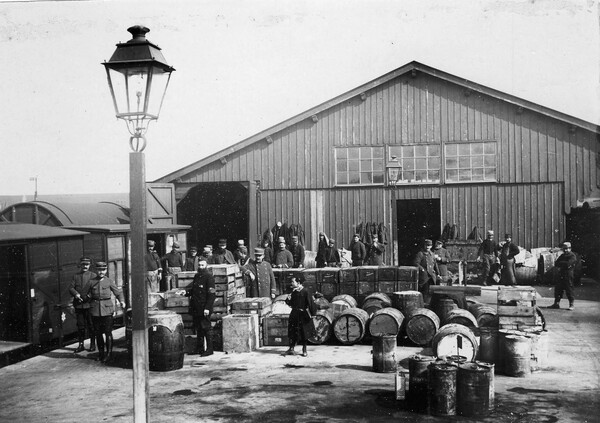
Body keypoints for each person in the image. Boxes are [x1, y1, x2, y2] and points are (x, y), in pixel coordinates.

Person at [87, 262, 126, 363]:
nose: (101, 272)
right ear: (96, 270)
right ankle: (101, 354)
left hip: (107, 310)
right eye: (99, 270)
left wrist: (122, 301)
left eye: (103, 270)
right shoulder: (91, 282)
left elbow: (118, 292)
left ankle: (108, 354)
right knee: (98, 334)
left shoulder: (109, 281)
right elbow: (87, 294)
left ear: (106, 270)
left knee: (108, 332)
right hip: (95, 310)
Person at [184, 258, 216, 356]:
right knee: (199, 328)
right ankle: (200, 348)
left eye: (203, 265)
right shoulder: (197, 276)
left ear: (206, 266)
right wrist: (185, 293)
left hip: (204, 307)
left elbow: (212, 294)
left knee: (206, 328)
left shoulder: (209, 277)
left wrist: (207, 308)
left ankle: (210, 349)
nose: (200, 267)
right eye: (199, 265)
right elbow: (194, 291)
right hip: (196, 307)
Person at [283, 276, 317, 357]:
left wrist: (313, 314)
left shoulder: (305, 291)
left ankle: (304, 349)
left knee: (304, 332)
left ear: (298, 283)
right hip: (294, 313)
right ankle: (291, 348)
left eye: (293, 282)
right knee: (292, 331)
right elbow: (290, 303)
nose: (291, 283)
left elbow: (311, 303)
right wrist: (288, 299)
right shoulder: (293, 292)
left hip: (303, 314)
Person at [69, 257, 97, 353]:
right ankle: (81, 345)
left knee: (91, 325)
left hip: (89, 305)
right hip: (79, 305)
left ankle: (93, 344)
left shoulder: (93, 276)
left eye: (87, 264)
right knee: (80, 326)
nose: (85, 266)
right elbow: (71, 288)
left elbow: (95, 288)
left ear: (89, 265)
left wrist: (88, 296)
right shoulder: (75, 276)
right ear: (80, 265)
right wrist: (76, 295)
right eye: (83, 264)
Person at [549, 242, 577, 310]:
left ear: (570, 248)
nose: (565, 250)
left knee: (569, 289)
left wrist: (561, 263)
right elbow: (556, 263)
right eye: (564, 249)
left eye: (567, 249)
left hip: (568, 275)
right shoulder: (563, 255)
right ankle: (556, 303)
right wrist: (563, 263)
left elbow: (568, 264)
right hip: (561, 274)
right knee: (558, 289)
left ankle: (571, 304)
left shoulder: (572, 256)